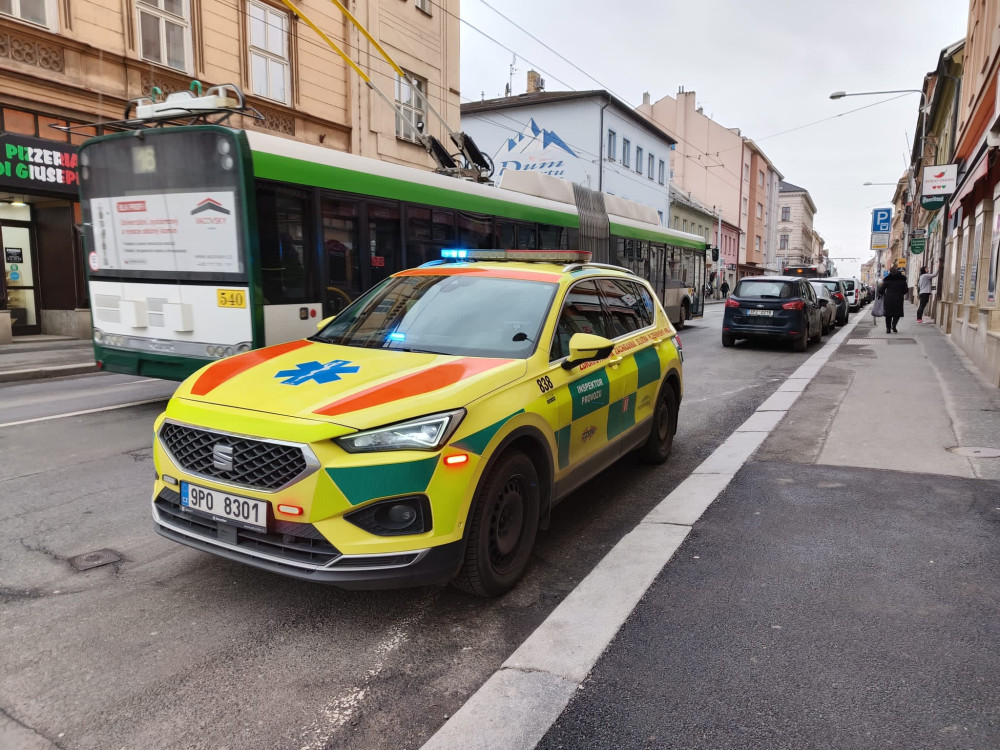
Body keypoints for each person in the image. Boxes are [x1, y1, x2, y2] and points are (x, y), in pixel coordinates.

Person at [877, 267, 908, 334]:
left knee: (888, 314)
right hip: (899, 298)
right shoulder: (902, 280)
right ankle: (894, 325)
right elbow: (906, 290)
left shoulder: (888, 279)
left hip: (889, 298)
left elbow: (881, 290)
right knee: (897, 313)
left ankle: (888, 328)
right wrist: (900, 293)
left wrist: (881, 293)